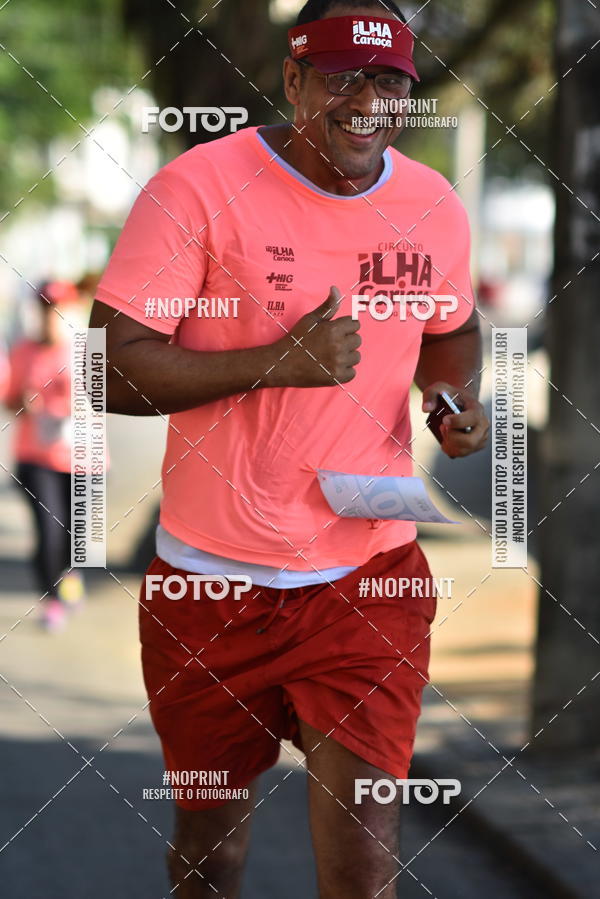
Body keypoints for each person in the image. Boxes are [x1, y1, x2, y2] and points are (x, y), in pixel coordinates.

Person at [91, 0, 489, 895]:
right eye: (342, 75)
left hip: (367, 583)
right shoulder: (196, 186)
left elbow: (453, 331)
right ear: (293, 80)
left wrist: (450, 402)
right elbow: (107, 371)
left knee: (362, 869)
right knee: (212, 854)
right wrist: (276, 362)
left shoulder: (431, 205)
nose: (367, 101)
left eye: (389, 80)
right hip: (208, 587)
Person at [5, 281, 85, 632]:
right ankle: (52, 599)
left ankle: (69, 576)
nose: (51, 316)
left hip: (84, 458)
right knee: (50, 531)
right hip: (36, 458)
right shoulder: (24, 350)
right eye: (45, 309)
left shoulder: (87, 350)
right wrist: (22, 403)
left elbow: (110, 398)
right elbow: (8, 399)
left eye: (58, 309)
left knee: (75, 539)